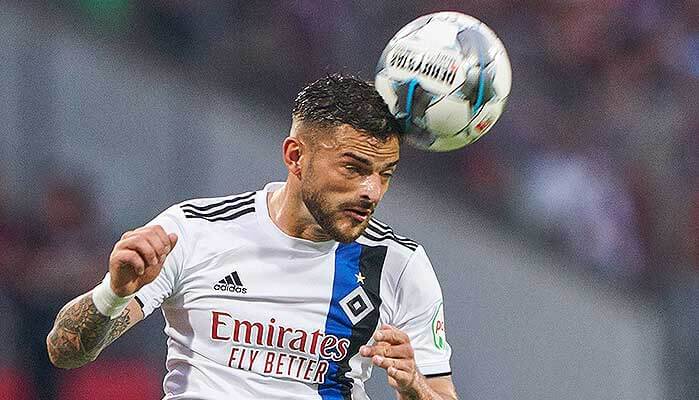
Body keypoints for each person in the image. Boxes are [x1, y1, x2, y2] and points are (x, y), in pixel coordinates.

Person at [47, 74, 458, 400]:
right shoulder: (194, 231)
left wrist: (415, 388)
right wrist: (112, 293)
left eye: (385, 174)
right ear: (295, 156)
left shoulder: (399, 264)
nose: (372, 191)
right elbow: (64, 351)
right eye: (354, 168)